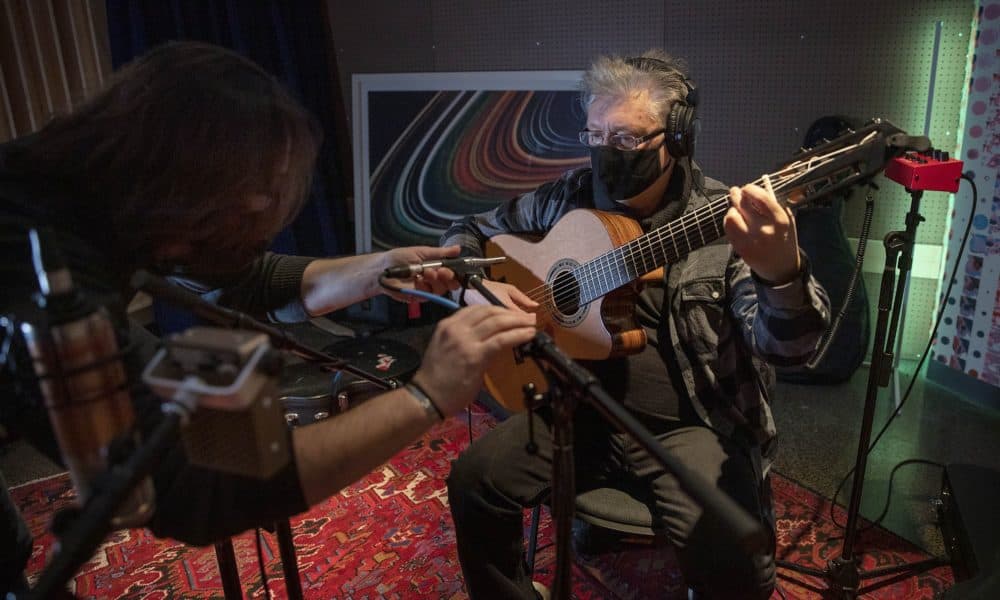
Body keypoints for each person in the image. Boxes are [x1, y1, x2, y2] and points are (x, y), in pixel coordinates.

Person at [0, 41, 536, 595]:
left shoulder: (88, 196)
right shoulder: (39, 261)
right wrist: (428, 394)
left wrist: (379, 269)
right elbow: (193, 490)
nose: (261, 221)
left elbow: (244, 279)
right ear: (186, 184)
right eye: (251, 202)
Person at [442, 50, 830, 599]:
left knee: (738, 556)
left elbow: (791, 351)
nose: (605, 153)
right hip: (575, 401)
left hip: (688, 424)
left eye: (625, 139)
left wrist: (782, 272)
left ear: (676, 138)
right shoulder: (566, 199)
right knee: (473, 481)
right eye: (595, 135)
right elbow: (468, 232)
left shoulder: (724, 219)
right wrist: (474, 287)